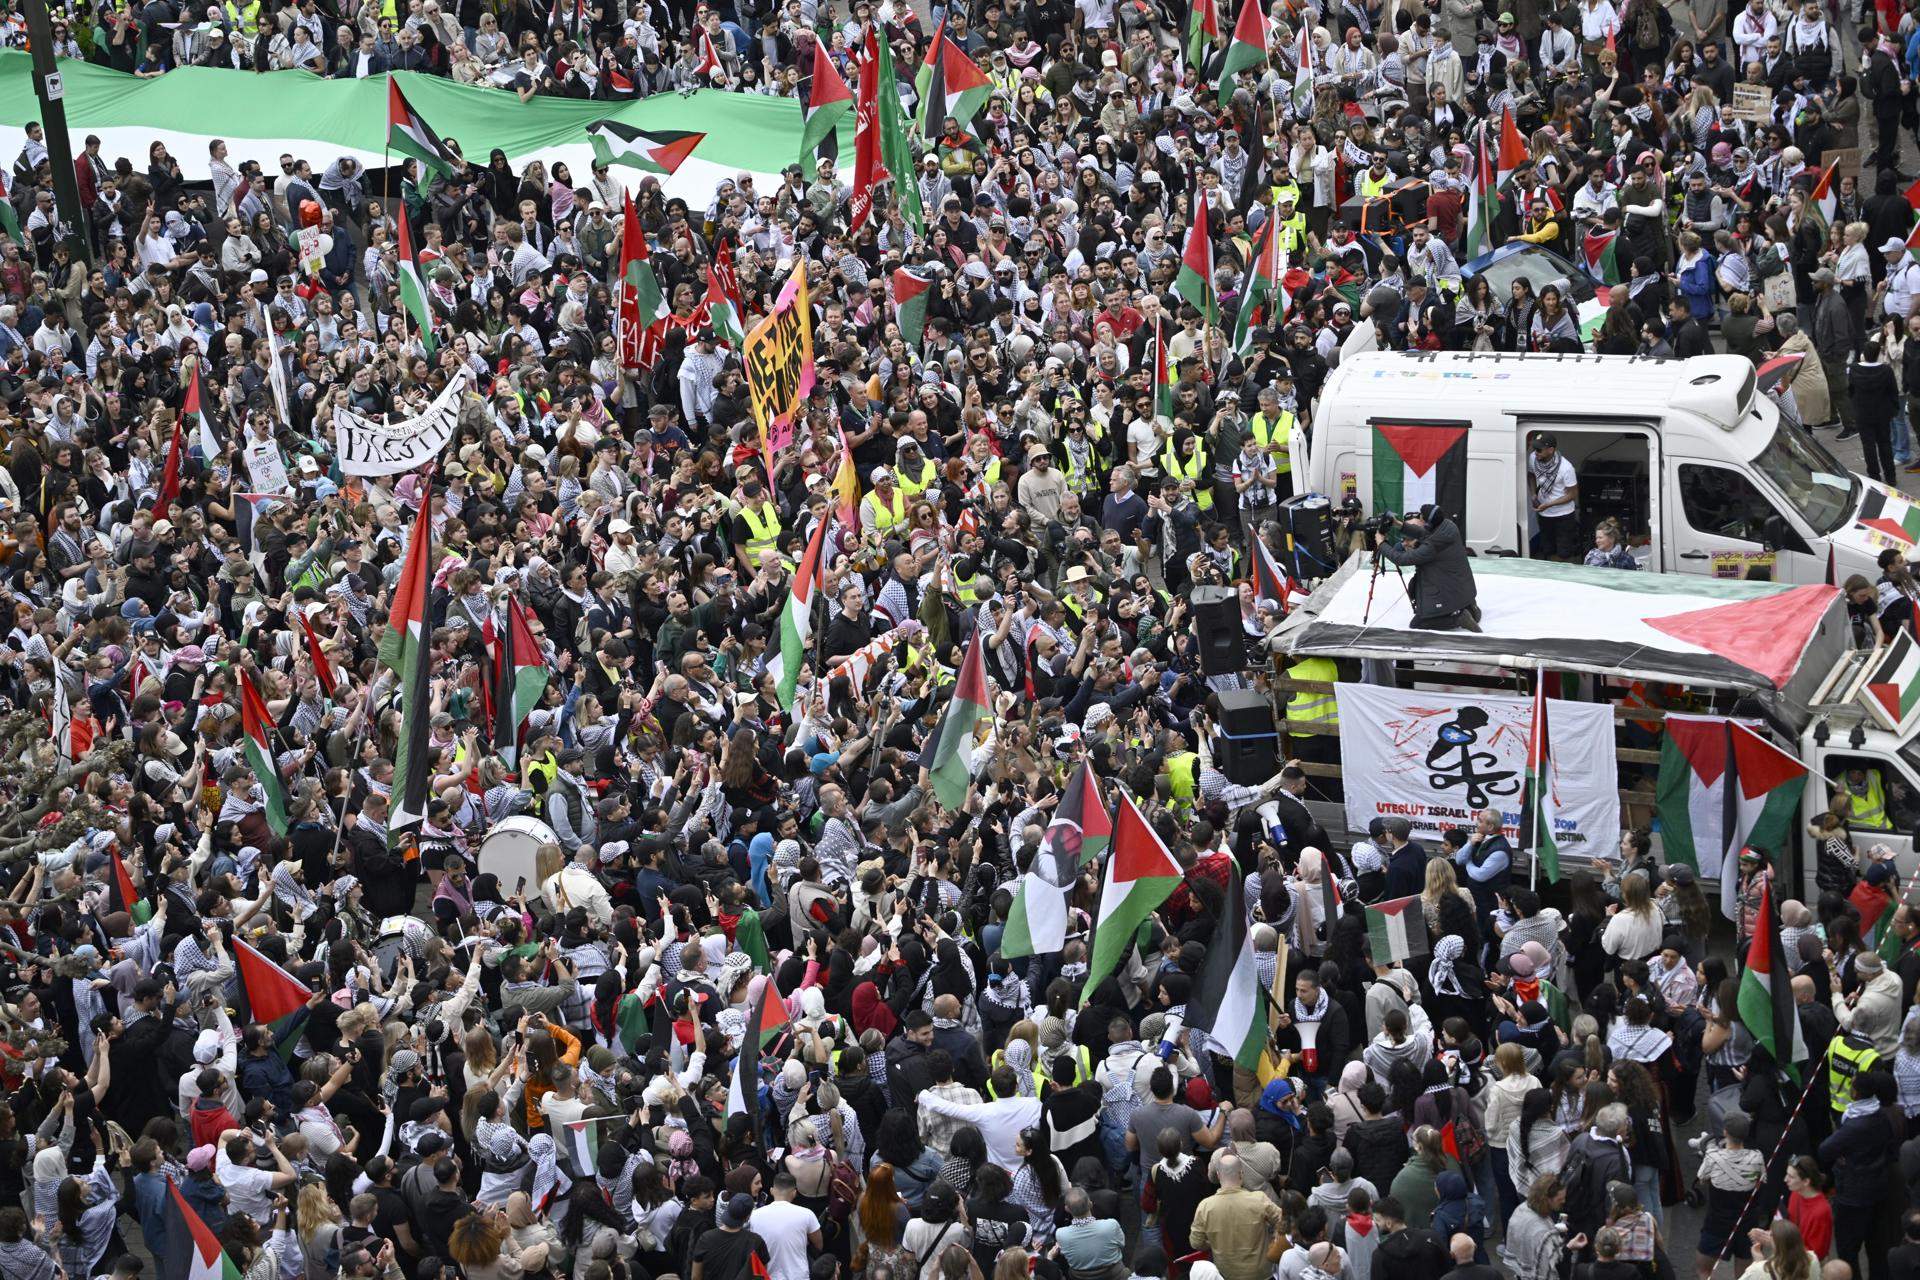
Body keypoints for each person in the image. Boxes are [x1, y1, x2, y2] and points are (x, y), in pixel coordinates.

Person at [1374, 505, 1481, 632]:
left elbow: (1401, 559)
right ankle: (1470, 608)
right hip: (1462, 588)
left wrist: (1381, 543)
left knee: (1417, 623)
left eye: (1421, 518)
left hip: (1448, 589)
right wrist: (1398, 524)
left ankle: (1458, 619)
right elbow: (1423, 533)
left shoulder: (1432, 546)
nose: (1420, 519)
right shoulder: (1448, 525)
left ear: (1429, 523)